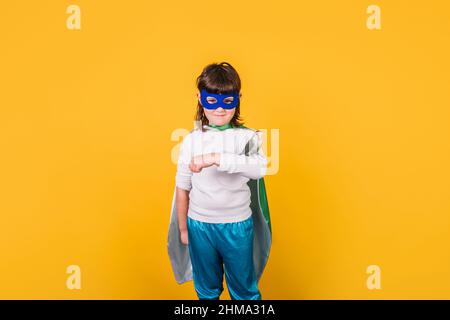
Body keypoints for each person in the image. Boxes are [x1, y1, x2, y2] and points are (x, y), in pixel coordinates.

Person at [168, 61, 272, 300]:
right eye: (212, 101)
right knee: (206, 290)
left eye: (228, 101)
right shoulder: (191, 141)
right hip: (199, 225)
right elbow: (182, 188)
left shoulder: (247, 137)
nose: (220, 109)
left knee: (244, 291)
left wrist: (216, 158)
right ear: (199, 97)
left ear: (238, 98)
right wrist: (183, 229)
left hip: (236, 225)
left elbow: (259, 168)